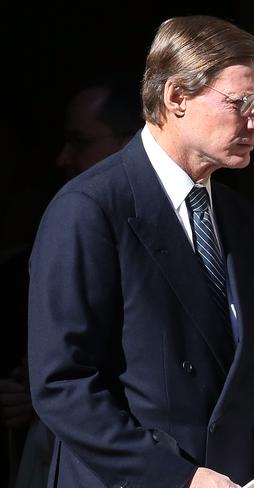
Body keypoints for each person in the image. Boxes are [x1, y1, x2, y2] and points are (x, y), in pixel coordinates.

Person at [28, 15, 254, 488]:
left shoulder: (243, 219)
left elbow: (251, 369)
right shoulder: (89, 208)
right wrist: (177, 477)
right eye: (242, 103)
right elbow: (62, 385)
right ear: (176, 96)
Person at [1, 73, 143, 488]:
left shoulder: (181, 231)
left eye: (80, 142)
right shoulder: (60, 225)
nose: (62, 158)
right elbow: (55, 375)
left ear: (128, 141)